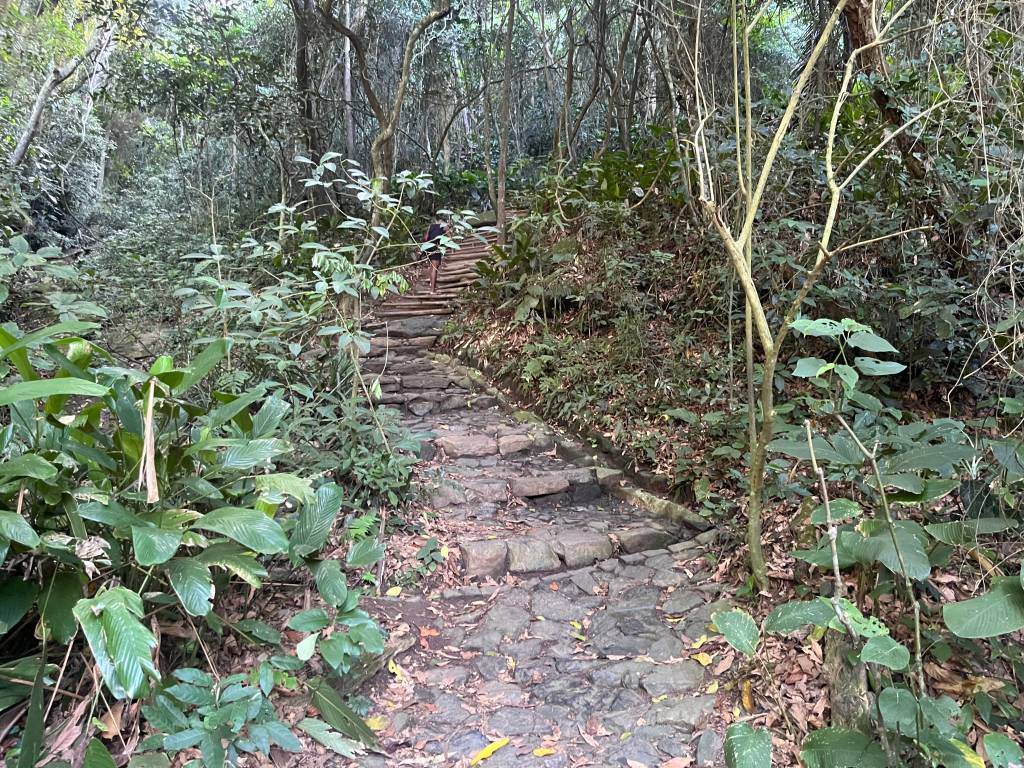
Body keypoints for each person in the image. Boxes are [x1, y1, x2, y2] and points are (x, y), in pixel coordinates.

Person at [424, 215, 447, 294]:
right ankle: (432, 290)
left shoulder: (431, 226)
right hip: (436, 247)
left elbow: (426, 237)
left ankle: (432, 285)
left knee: (432, 266)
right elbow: (448, 236)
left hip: (429, 247)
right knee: (435, 267)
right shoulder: (444, 226)